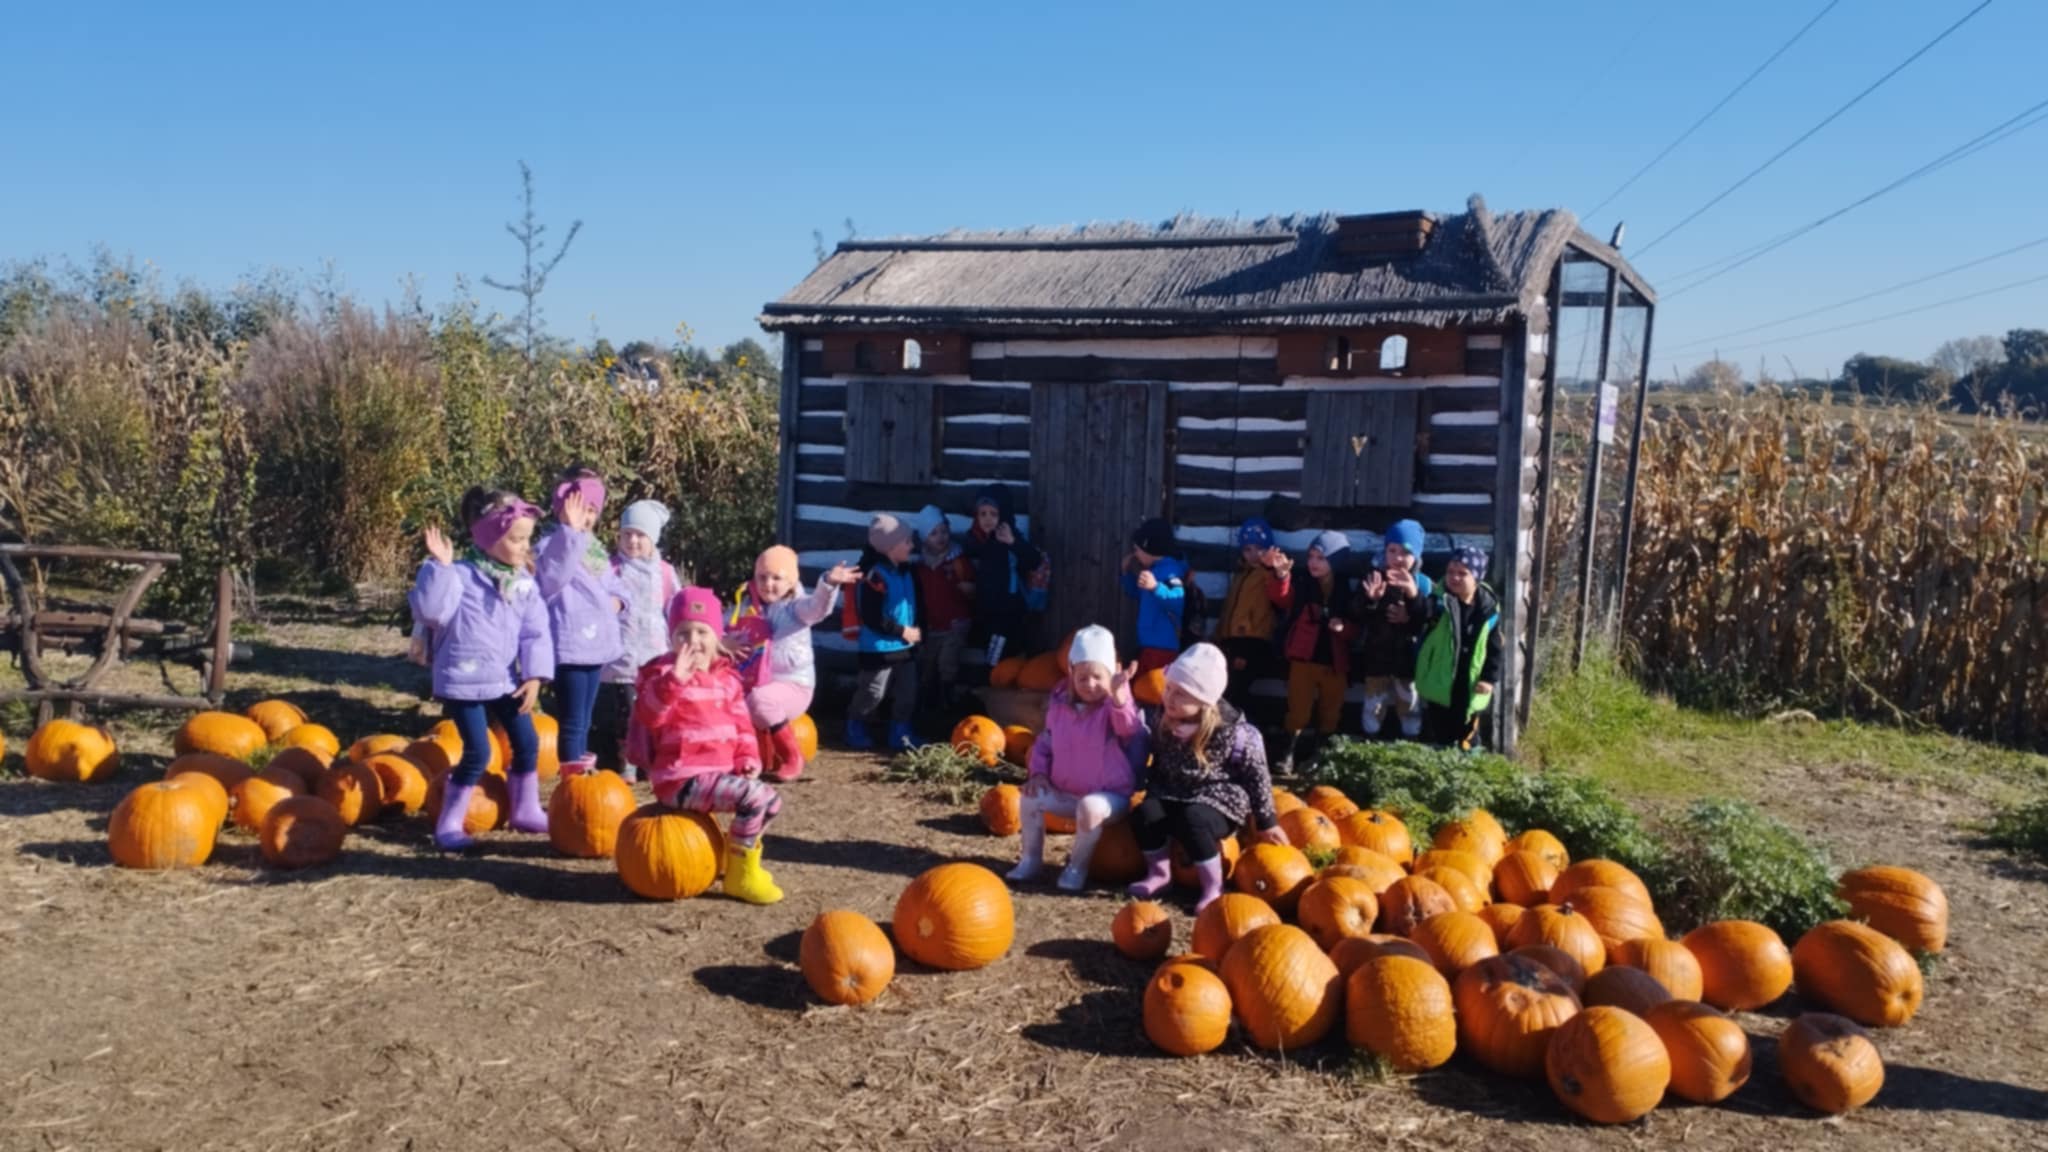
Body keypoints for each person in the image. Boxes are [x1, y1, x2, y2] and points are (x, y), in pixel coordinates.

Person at [410, 488, 555, 850]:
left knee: (527, 741)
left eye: (527, 539)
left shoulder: (523, 582)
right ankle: (449, 823)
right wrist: (440, 567)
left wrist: (535, 675)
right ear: (490, 538)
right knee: (477, 752)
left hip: (505, 678)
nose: (525, 547)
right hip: (463, 679)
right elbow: (431, 612)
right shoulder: (459, 576)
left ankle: (525, 809)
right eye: (517, 539)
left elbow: (536, 631)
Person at [627, 587, 784, 905]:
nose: (693, 640)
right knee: (758, 799)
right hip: (680, 779)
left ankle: (736, 859)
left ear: (717, 638)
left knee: (771, 803)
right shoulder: (660, 675)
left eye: (702, 631)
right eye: (682, 633)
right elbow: (650, 715)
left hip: (715, 776)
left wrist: (747, 757)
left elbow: (741, 727)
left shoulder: (727, 679)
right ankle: (740, 876)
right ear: (671, 639)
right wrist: (674, 681)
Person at [1125, 644, 1285, 912]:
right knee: (1145, 814)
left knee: (1194, 820)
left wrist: (1267, 821)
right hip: (1172, 792)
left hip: (1217, 800)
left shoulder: (1234, 733)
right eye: (1169, 689)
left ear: (1204, 700)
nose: (1170, 698)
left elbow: (1257, 777)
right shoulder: (1160, 719)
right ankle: (1160, 873)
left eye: (1181, 694)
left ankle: (1212, 887)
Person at [1007, 626, 1149, 891]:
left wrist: (1119, 698)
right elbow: (1044, 744)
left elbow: (1129, 730)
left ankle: (1077, 868)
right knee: (1029, 798)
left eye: (1098, 676)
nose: (1090, 684)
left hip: (1110, 797)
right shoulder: (1060, 705)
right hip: (1067, 793)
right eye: (1082, 677)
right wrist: (1038, 774)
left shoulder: (1115, 708)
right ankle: (1030, 860)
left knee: (1090, 807)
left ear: (1112, 673)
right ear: (1071, 674)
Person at [729, 545, 858, 781]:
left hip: (794, 685)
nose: (768, 584)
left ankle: (792, 756)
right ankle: (745, 760)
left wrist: (829, 583)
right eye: (762, 577)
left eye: (777, 577)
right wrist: (724, 640)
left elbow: (818, 608)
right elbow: (723, 626)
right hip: (757, 682)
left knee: (760, 701)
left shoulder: (797, 609)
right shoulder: (747, 607)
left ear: (790, 581)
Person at [533, 464, 628, 779]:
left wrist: (619, 600)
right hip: (571, 644)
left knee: (585, 718)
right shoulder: (551, 546)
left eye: (591, 511)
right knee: (573, 721)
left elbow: (612, 581)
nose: (585, 518)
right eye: (579, 509)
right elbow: (551, 581)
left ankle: (583, 777)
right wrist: (569, 534)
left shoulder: (596, 549)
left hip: (595, 644)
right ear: (561, 509)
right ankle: (572, 783)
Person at [599, 499, 681, 782]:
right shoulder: (611, 569)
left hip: (656, 654)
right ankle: (628, 762)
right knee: (627, 715)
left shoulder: (666, 573)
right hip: (622, 658)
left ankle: (653, 759)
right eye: (627, 534)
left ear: (653, 539)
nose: (632, 541)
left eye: (640, 535)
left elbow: (675, 609)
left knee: (655, 711)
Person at [1267, 530, 1357, 773]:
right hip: (1304, 657)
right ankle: (1287, 754)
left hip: (1334, 661)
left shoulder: (1346, 591)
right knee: (1298, 709)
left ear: (1335, 561)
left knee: (1330, 710)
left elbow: (1357, 627)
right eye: (1311, 556)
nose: (1314, 563)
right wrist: (1281, 575)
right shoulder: (1302, 583)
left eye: (1321, 557)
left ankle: (1320, 756)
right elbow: (1283, 599)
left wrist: (1342, 628)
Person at [1414, 546, 1503, 752]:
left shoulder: (1487, 608)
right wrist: (1412, 596)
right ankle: (1443, 759)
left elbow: (1495, 647)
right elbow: (1421, 613)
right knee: (1440, 726)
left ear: (1477, 577)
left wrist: (1489, 678)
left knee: (1468, 728)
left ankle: (1469, 763)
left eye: (1462, 573)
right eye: (1450, 572)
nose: (1454, 578)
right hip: (1440, 677)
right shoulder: (1438, 599)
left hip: (1470, 680)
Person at [849, 514, 922, 752]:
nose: (912, 546)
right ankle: (855, 725)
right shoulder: (875, 577)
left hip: (905, 646)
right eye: (907, 542)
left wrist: (916, 632)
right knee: (872, 692)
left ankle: (900, 731)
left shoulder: (907, 572)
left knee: (907, 693)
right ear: (891, 547)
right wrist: (903, 631)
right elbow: (872, 617)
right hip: (878, 647)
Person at [1356, 519, 1434, 740]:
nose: (1398, 558)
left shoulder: (1422, 584)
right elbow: (1359, 614)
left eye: (1405, 553)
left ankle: (1411, 740)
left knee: (1409, 702)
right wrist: (1371, 600)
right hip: (1377, 655)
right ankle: (1369, 739)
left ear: (1416, 556)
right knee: (1374, 703)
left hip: (1407, 659)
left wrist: (1412, 597)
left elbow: (1428, 619)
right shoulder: (1374, 578)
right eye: (1392, 550)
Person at [963, 484, 1043, 665]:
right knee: (989, 650)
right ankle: (991, 682)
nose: (987, 519)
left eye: (993, 514)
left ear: (1003, 514)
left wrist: (1012, 542)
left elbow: (1034, 560)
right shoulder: (975, 539)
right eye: (982, 514)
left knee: (1003, 654)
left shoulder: (1009, 537)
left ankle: (1000, 682)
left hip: (1007, 610)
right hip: (985, 609)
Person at [912, 505, 976, 719]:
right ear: (924, 538)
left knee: (947, 662)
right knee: (928, 664)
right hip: (931, 625)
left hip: (955, 622)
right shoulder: (920, 565)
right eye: (933, 533)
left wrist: (969, 589)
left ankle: (946, 704)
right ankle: (926, 707)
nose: (940, 537)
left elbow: (972, 587)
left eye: (943, 531)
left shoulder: (957, 561)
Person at [1214, 518, 1283, 710]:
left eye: (1259, 549)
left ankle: (1243, 730)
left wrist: (1276, 570)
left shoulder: (1269, 573)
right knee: (1229, 689)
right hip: (1232, 640)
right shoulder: (1242, 574)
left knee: (1236, 690)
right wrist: (1219, 635)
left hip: (1252, 641)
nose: (1253, 554)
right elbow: (1231, 607)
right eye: (1247, 549)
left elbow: (1281, 595)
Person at [1120, 517, 1189, 673]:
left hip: (1163, 646)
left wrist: (1156, 587)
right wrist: (1126, 575)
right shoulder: (1154, 570)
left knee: (1152, 688)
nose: (1135, 554)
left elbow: (1178, 601)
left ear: (1149, 548)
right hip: (1150, 643)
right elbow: (1139, 595)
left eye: (1137, 549)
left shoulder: (1170, 571)